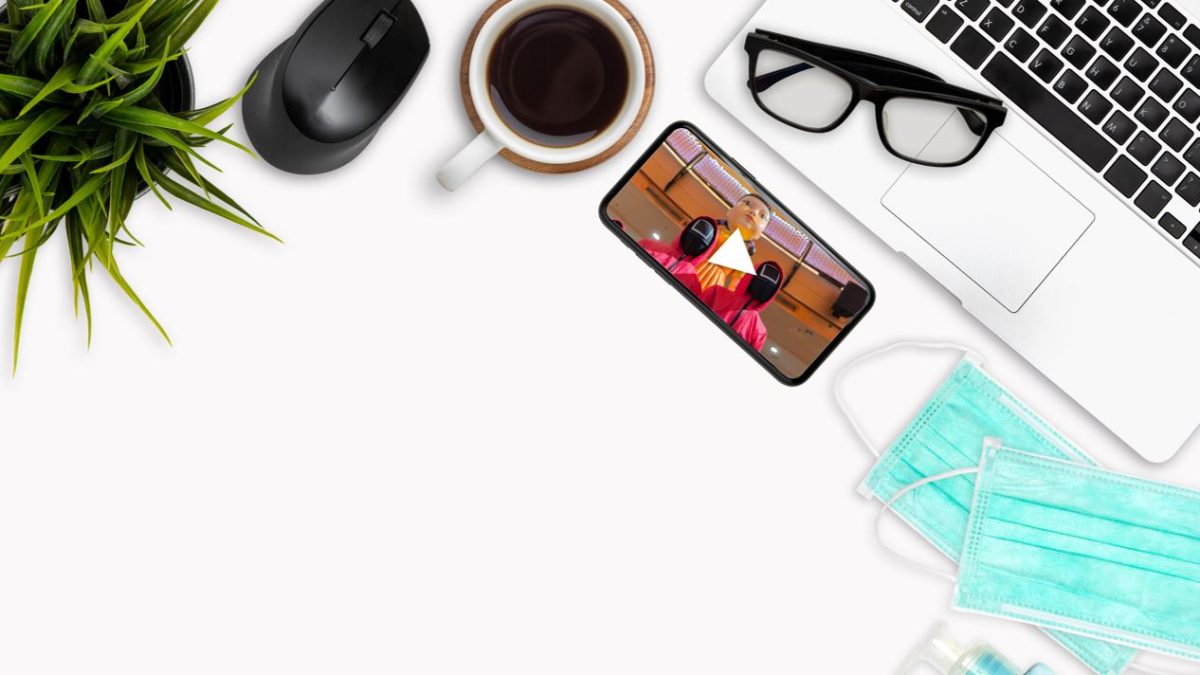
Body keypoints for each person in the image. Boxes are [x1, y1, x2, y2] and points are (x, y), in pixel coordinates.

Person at [695, 193, 772, 292]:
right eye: (747, 203)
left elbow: (736, 286)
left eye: (762, 216)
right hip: (692, 265)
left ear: (759, 235)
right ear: (730, 211)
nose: (753, 212)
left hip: (713, 286)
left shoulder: (743, 255)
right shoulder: (713, 231)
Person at [702, 261, 784, 352]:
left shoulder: (759, 331)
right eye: (761, 280)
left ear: (772, 293)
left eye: (769, 286)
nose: (763, 286)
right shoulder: (716, 293)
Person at [638, 217, 719, 295]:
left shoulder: (693, 283)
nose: (693, 242)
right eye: (692, 236)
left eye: (700, 243)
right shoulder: (647, 245)